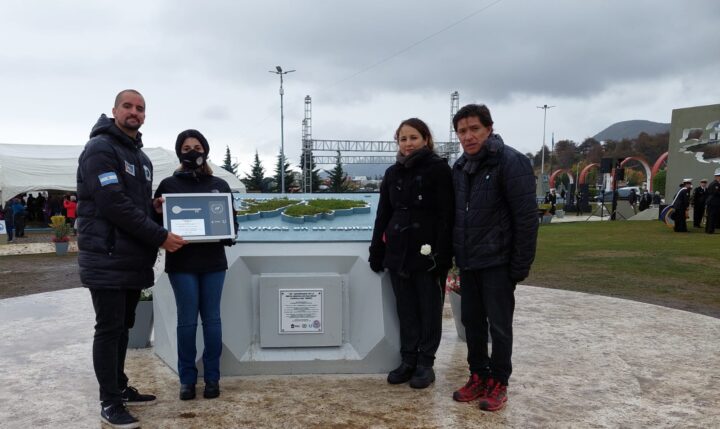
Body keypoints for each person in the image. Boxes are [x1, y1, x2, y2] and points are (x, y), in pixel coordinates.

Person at [76, 89, 186, 429]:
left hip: (131, 259)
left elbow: (132, 206)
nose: (134, 112)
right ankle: (109, 402)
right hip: (107, 255)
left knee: (123, 327)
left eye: (140, 108)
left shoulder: (141, 158)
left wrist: (154, 212)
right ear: (114, 111)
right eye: (128, 106)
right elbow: (112, 205)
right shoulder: (100, 149)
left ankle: (120, 386)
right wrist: (160, 236)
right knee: (108, 329)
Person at [449, 104, 538, 411]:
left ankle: (499, 382)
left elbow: (526, 219)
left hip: (498, 263)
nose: (468, 136)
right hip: (469, 262)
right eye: (462, 131)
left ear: (488, 128)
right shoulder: (460, 168)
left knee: (499, 326)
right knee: (472, 323)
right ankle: (478, 375)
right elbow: (456, 217)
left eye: (474, 129)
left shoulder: (512, 163)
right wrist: (455, 259)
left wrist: (519, 265)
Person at [369, 118, 454, 390]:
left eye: (413, 137)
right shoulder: (392, 173)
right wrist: (376, 250)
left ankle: (425, 363)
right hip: (398, 253)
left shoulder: (439, 169)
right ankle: (408, 360)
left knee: (429, 310)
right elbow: (384, 213)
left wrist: (442, 255)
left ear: (426, 139)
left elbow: (446, 215)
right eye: (403, 139)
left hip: (427, 255)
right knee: (405, 310)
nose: (408, 144)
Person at [154, 129, 237, 401]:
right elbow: (155, 226)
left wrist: (225, 228)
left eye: (197, 146)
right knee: (187, 322)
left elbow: (232, 227)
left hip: (213, 263)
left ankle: (212, 379)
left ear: (206, 150)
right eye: (186, 148)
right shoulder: (168, 186)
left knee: (212, 320)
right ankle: (187, 381)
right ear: (180, 153)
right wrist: (157, 213)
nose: (192, 152)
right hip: (182, 263)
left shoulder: (219, 186)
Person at [705, 169, 720, 234]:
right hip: (713, 203)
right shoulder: (715, 184)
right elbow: (716, 193)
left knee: (711, 217)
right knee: (712, 217)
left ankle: (708, 229)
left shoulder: (714, 183)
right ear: (717, 177)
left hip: (713, 203)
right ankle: (710, 230)